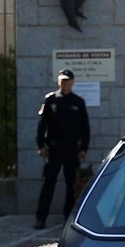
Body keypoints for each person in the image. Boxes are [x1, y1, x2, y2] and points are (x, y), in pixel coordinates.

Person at [35, 69, 90, 229]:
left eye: (68, 81)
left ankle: (69, 218)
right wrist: (40, 145)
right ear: (58, 82)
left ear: (72, 82)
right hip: (53, 149)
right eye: (62, 81)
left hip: (72, 149)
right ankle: (41, 218)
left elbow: (85, 128)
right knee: (48, 184)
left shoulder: (78, 102)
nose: (65, 84)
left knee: (71, 185)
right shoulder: (50, 100)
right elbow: (42, 125)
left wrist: (84, 148)